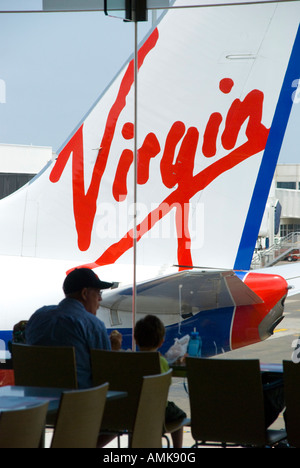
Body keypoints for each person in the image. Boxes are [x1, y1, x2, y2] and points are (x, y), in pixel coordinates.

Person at [25, 267, 113, 389]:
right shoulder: (92, 325)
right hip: (78, 403)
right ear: (84, 293)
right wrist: (114, 350)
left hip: (37, 402)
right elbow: (106, 374)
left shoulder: (38, 316)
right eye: (98, 293)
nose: (100, 299)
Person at [134, 314, 187, 448]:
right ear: (161, 342)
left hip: (134, 412)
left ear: (136, 339)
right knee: (180, 415)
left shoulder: (131, 360)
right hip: (158, 412)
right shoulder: (161, 362)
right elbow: (166, 383)